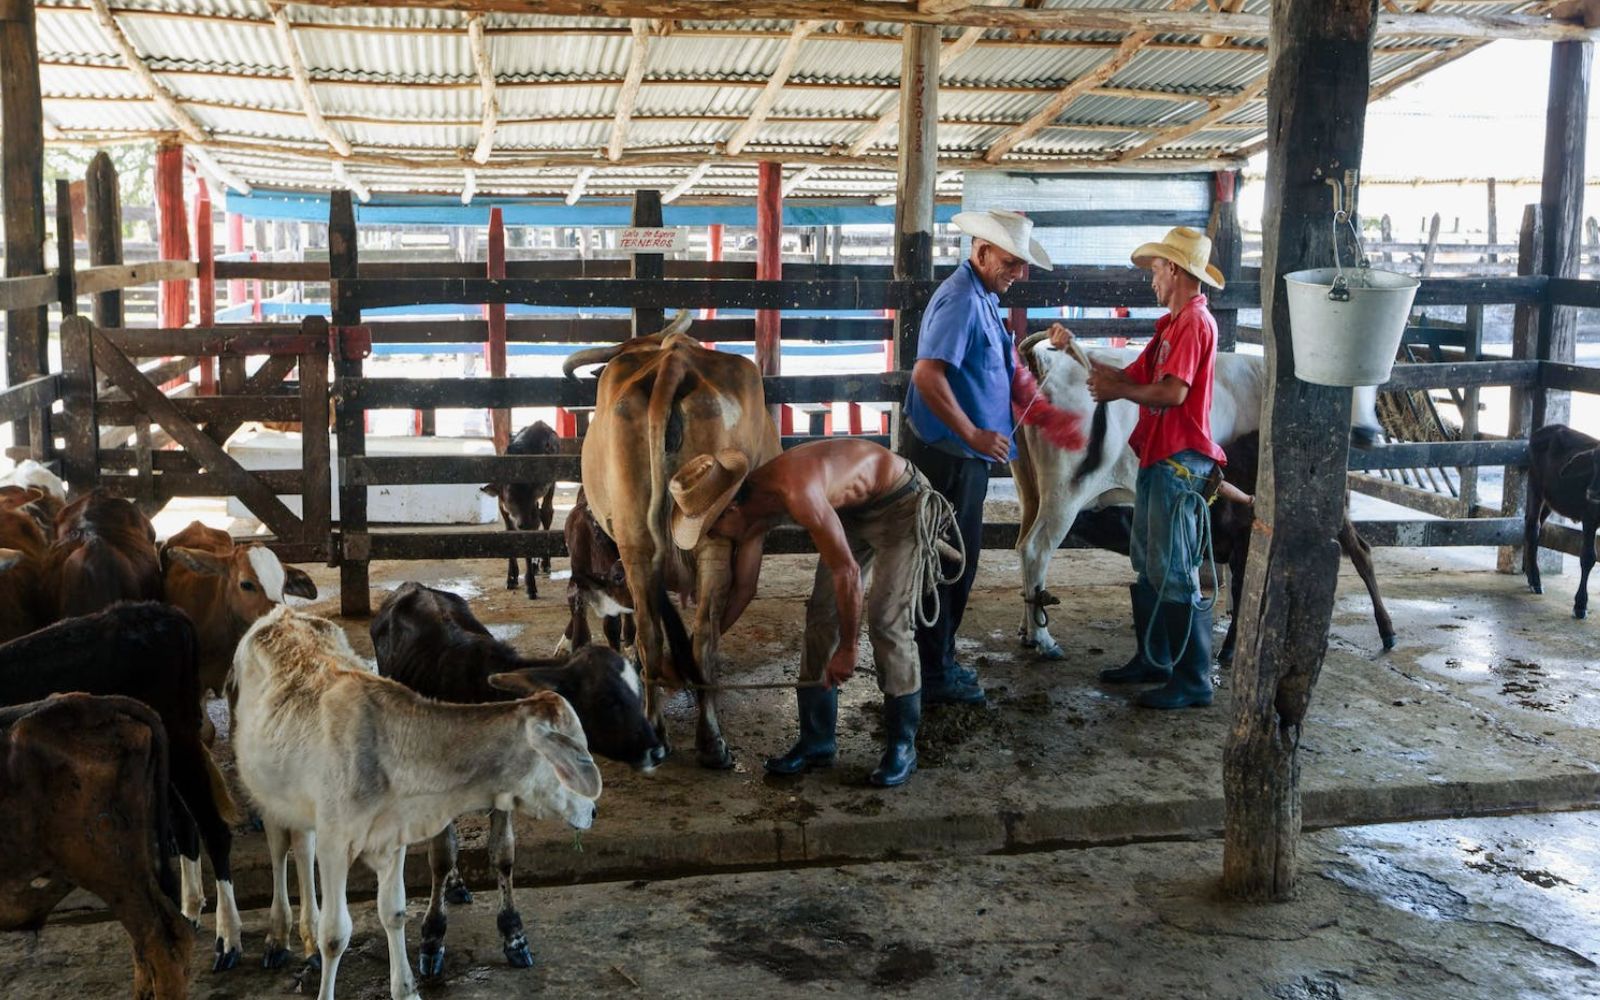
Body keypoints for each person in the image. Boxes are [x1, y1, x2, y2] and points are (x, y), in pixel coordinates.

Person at [667, 439, 955, 788]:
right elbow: (745, 589)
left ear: (729, 512)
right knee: (821, 616)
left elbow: (847, 572)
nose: (712, 537)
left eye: (711, 530)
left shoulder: (795, 491)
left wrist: (848, 648)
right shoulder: (752, 513)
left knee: (887, 620)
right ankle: (817, 741)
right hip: (849, 512)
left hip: (900, 503)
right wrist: (689, 651)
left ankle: (901, 746)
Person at [1051, 226, 1228, 710]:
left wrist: (1117, 390)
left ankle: (1192, 678)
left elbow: (1173, 394)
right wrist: (1073, 349)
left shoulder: (1194, 323)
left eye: (1155, 270)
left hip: (1180, 459)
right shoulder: (1171, 326)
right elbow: (1127, 376)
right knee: (1150, 562)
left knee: (1172, 567)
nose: (1151, 280)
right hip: (1160, 457)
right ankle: (1156, 658)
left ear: (1174, 269)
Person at [903, 208, 1053, 707]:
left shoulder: (984, 297)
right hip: (948, 455)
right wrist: (974, 432)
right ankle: (933, 673)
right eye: (1012, 262)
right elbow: (927, 374)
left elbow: (999, 364)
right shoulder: (963, 300)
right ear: (982, 252)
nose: (1019, 273)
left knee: (956, 561)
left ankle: (938, 661)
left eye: (1022, 264)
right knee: (946, 563)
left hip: (963, 455)